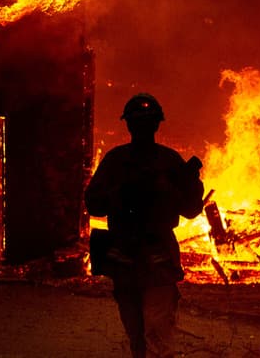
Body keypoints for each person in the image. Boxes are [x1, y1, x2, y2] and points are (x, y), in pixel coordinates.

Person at [86, 93, 204, 358]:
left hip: (156, 259)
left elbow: (190, 209)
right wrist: (123, 192)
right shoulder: (118, 162)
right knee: (138, 337)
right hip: (126, 259)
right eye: (139, 123)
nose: (141, 128)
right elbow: (94, 204)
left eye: (146, 123)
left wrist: (184, 185)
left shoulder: (167, 163)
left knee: (156, 333)